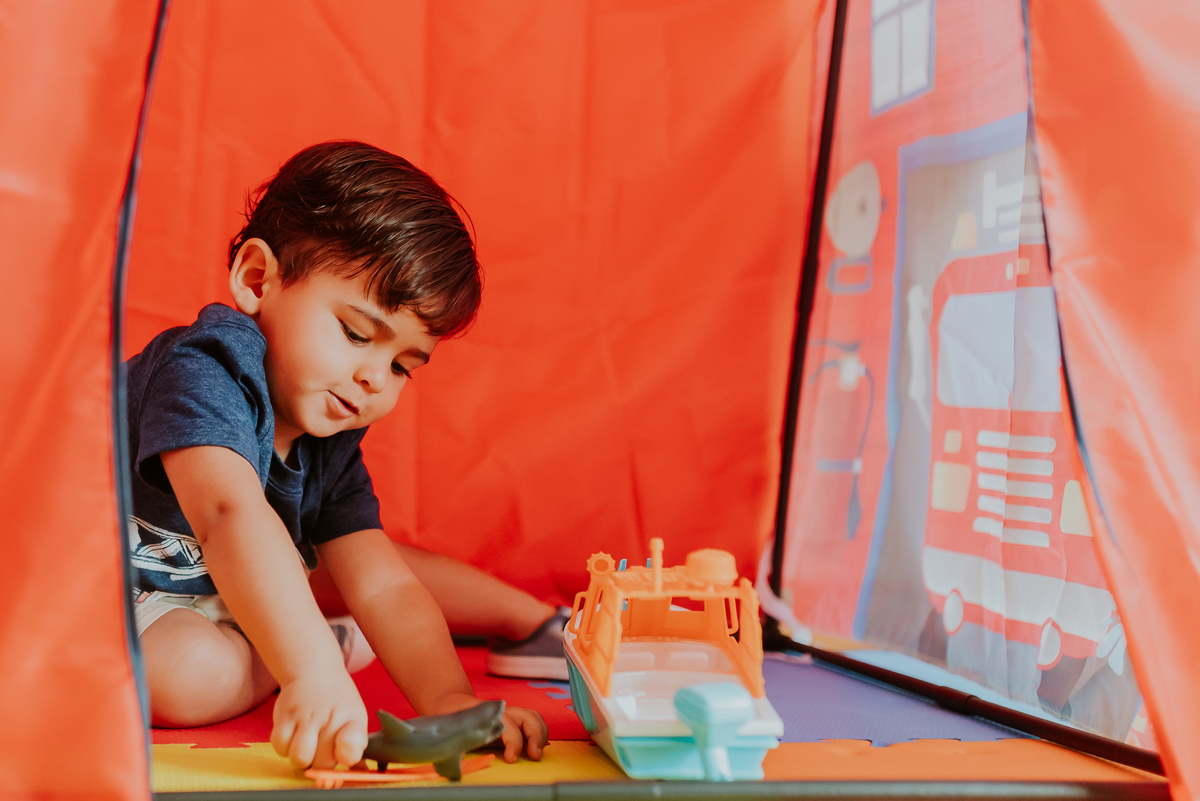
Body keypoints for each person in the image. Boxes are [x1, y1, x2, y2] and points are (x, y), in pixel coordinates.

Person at [126, 141, 557, 772]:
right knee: (190, 680)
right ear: (256, 280)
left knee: (304, 592)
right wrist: (311, 671)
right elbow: (228, 516)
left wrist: (448, 701)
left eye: (403, 365)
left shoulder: (327, 435)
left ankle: (294, 634)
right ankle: (303, 645)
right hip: (86, 589)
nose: (374, 378)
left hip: (194, 592)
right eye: (356, 334)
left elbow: (382, 582)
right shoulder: (207, 367)